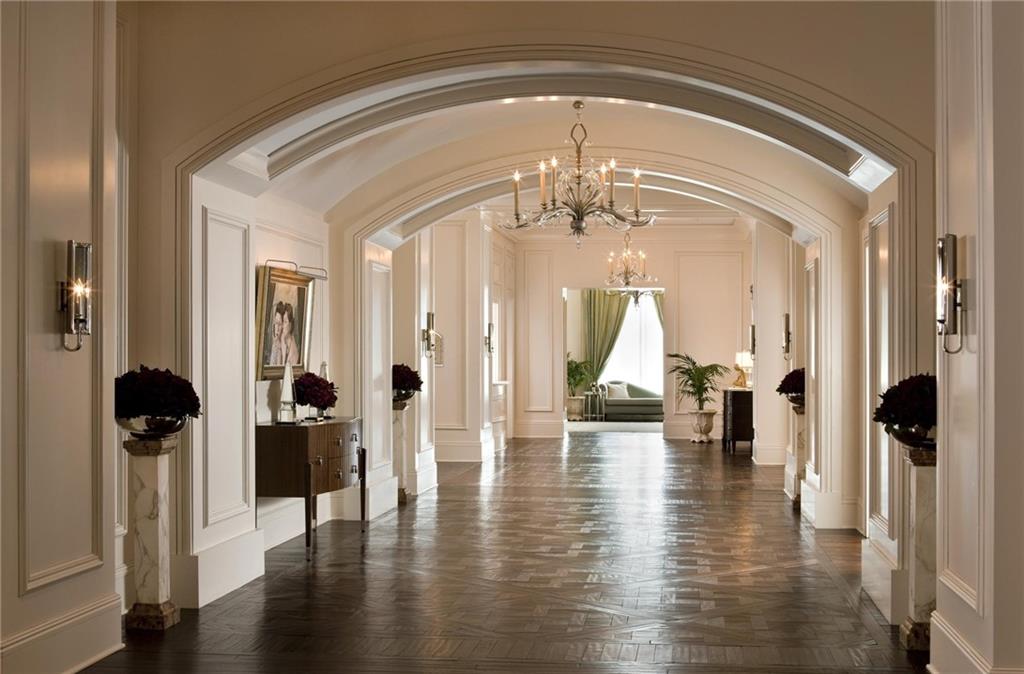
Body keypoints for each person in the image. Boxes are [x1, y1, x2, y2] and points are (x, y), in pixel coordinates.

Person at [269, 301, 300, 366]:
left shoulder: (293, 352)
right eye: (282, 322)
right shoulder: (281, 341)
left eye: (285, 322)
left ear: (291, 324)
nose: (282, 326)